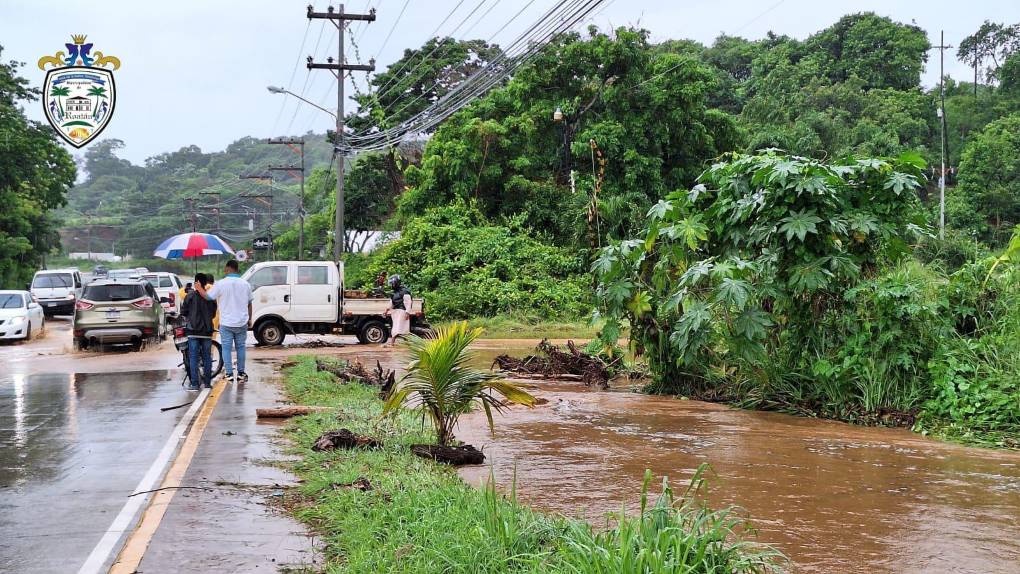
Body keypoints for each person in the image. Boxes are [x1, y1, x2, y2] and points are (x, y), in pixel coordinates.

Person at [195, 259, 252, 382]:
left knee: (226, 348)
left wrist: (199, 288)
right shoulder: (245, 284)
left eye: (225, 270)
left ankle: (229, 374)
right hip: (242, 322)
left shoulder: (221, 284)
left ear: (227, 269)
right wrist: (250, 319)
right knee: (240, 347)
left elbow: (207, 296)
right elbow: (249, 304)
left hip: (226, 323)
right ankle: (241, 373)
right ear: (237, 269)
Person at [180, 273, 217, 390]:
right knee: (207, 357)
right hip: (207, 331)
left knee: (193, 358)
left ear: (196, 282)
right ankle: (207, 383)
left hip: (193, 331)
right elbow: (213, 314)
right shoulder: (210, 297)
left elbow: (184, 312)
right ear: (206, 283)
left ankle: (195, 384)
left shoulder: (189, 296)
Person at [384, 274, 412, 347]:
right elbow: (391, 303)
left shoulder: (404, 291)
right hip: (395, 312)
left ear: (395, 283)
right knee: (398, 328)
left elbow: (408, 303)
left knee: (401, 328)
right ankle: (407, 344)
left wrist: (407, 313)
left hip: (402, 312)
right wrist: (386, 311)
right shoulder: (394, 293)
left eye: (392, 283)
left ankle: (393, 343)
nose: (391, 285)